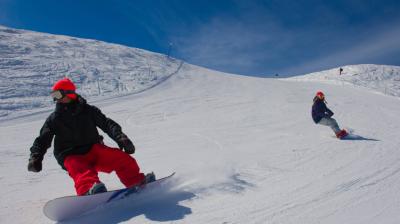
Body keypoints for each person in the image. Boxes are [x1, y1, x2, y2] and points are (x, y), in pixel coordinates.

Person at [28, 78, 155, 196]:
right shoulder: (54, 119)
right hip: (69, 155)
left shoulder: (89, 111)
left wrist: (121, 138)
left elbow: (107, 124)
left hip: (93, 150)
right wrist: (36, 157)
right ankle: (88, 191)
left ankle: (136, 182)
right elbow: (42, 139)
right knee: (81, 170)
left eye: (58, 95)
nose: (56, 99)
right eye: (53, 96)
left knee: (121, 159)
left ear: (70, 93)